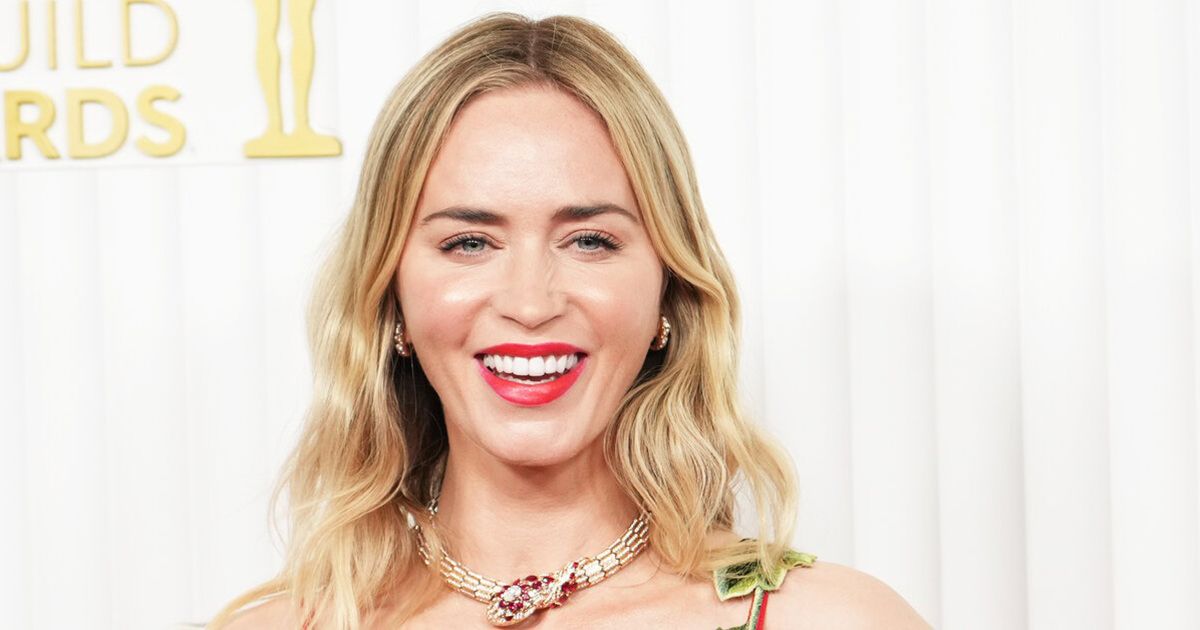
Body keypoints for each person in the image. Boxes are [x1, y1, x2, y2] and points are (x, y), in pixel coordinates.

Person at [210, 12, 931, 629]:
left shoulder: (835, 618)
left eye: (589, 241)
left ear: (668, 291)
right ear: (391, 299)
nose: (531, 303)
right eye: (469, 243)